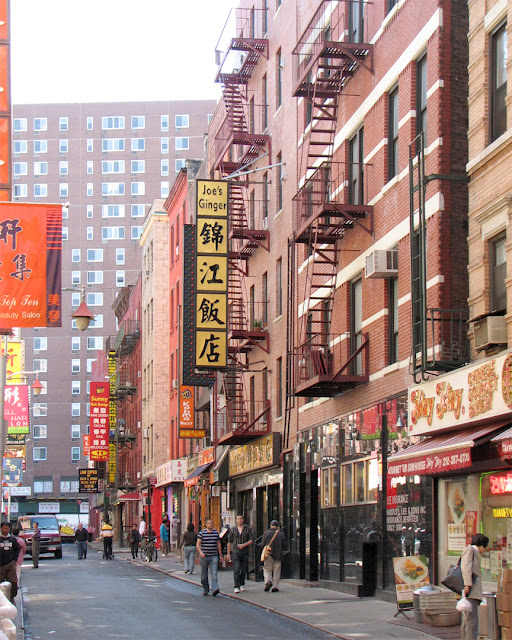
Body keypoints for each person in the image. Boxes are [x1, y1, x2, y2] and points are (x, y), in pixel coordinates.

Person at [461, 533, 489, 640]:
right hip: (470, 592)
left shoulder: (474, 552)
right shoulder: (470, 550)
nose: (485, 550)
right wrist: (467, 585)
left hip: (471, 591)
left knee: (467, 620)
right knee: (471, 621)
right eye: (485, 547)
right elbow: (466, 567)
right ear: (481, 545)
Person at [197, 519, 223, 596]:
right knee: (204, 575)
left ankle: (215, 589)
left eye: (212, 523)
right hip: (204, 556)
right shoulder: (202, 533)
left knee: (214, 573)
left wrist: (220, 554)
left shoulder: (215, 533)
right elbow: (198, 544)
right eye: (209, 523)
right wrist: (200, 552)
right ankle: (206, 588)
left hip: (214, 556)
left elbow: (218, 544)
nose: (211, 525)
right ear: (206, 525)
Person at [227, 515, 253, 593]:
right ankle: (236, 586)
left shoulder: (247, 529)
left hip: (244, 552)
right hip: (235, 552)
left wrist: (244, 545)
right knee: (237, 568)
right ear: (236, 520)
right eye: (238, 519)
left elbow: (251, 540)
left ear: (243, 519)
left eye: (241, 519)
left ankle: (242, 583)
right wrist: (228, 553)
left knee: (244, 569)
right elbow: (229, 541)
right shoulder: (233, 530)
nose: (239, 520)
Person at [261, 520, 287, 593]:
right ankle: (275, 586)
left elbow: (262, 544)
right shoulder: (281, 534)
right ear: (278, 526)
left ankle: (268, 581)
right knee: (277, 570)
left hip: (268, 554)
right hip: (278, 555)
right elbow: (285, 544)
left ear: (270, 525)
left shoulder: (266, 533)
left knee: (267, 569)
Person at [0, 522, 20, 603]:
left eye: (7, 528)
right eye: (3, 528)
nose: (5, 530)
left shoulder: (12, 539)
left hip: (10, 564)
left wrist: (14, 560)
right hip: (1, 565)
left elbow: (17, 549)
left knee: (13, 582)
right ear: (1, 529)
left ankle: (11, 598)